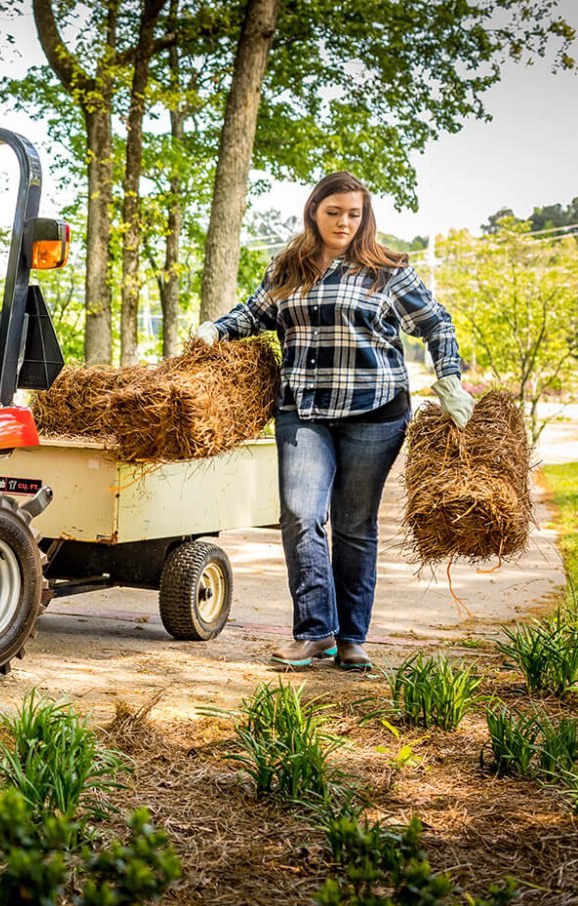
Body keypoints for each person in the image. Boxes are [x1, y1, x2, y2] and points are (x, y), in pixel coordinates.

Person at [196, 172, 473, 671]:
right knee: (301, 515)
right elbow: (255, 314)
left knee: (353, 525)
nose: (344, 222)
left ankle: (352, 638)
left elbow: (437, 322)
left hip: (375, 413)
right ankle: (314, 633)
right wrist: (216, 330)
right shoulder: (288, 265)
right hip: (303, 411)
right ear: (313, 212)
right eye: (334, 212)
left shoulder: (386, 270)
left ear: (364, 217)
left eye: (354, 213)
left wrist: (449, 377)